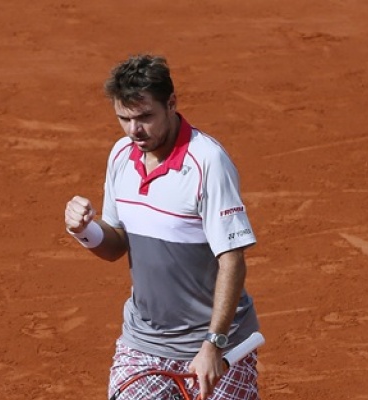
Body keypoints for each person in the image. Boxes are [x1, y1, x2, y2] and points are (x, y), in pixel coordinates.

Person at [63, 54, 261, 400]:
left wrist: (214, 344)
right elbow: (116, 245)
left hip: (215, 342)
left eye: (144, 117)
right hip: (143, 341)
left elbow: (232, 259)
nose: (133, 130)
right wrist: (85, 230)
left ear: (171, 104)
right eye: (123, 118)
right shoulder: (122, 155)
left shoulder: (207, 162)